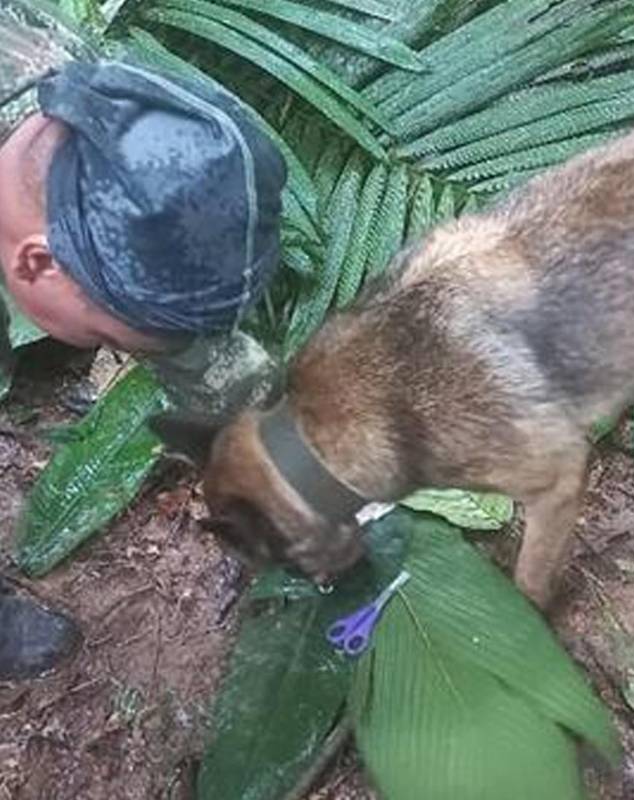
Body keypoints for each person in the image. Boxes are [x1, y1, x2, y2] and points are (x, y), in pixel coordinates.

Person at [0, 0, 287, 680]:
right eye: (125, 338)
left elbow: (206, 358)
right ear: (34, 264)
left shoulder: (82, 94)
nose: (157, 351)